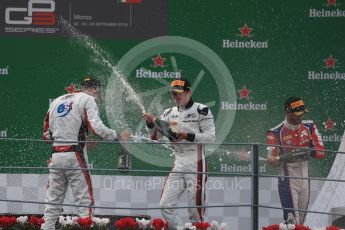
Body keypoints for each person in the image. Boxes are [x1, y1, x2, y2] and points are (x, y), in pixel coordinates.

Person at [41, 77, 129, 230]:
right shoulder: (88, 99)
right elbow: (98, 129)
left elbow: (46, 137)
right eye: (97, 91)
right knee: (84, 202)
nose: (98, 94)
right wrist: (119, 136)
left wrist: (80, 139)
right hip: (75, 156)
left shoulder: (57, 101)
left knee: (52, 202)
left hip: (56, 157)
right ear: (95, 90)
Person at [142, 78, 216, 229]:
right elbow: (155, 137)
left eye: (178, 93)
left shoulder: (201, 109)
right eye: (172, 94)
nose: (175, 97)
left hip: (196, 164)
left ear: (188, 92)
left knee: (195, 209)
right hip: (178, 163)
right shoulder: (169, 112)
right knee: (165, 205)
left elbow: (211, 137)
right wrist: (150, 123)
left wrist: (188, 135)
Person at [266, 96, 325, 225]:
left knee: (302, 221)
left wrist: (306, 151)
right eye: (296, 114)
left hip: (305, 177)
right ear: (287, 112)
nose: (300, 117)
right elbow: (273, 162)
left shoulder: (310, 127)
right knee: (292, 221)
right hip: (288, 178)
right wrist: (274, 159)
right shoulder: (275, 132)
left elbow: (321, 152)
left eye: (302, 113)